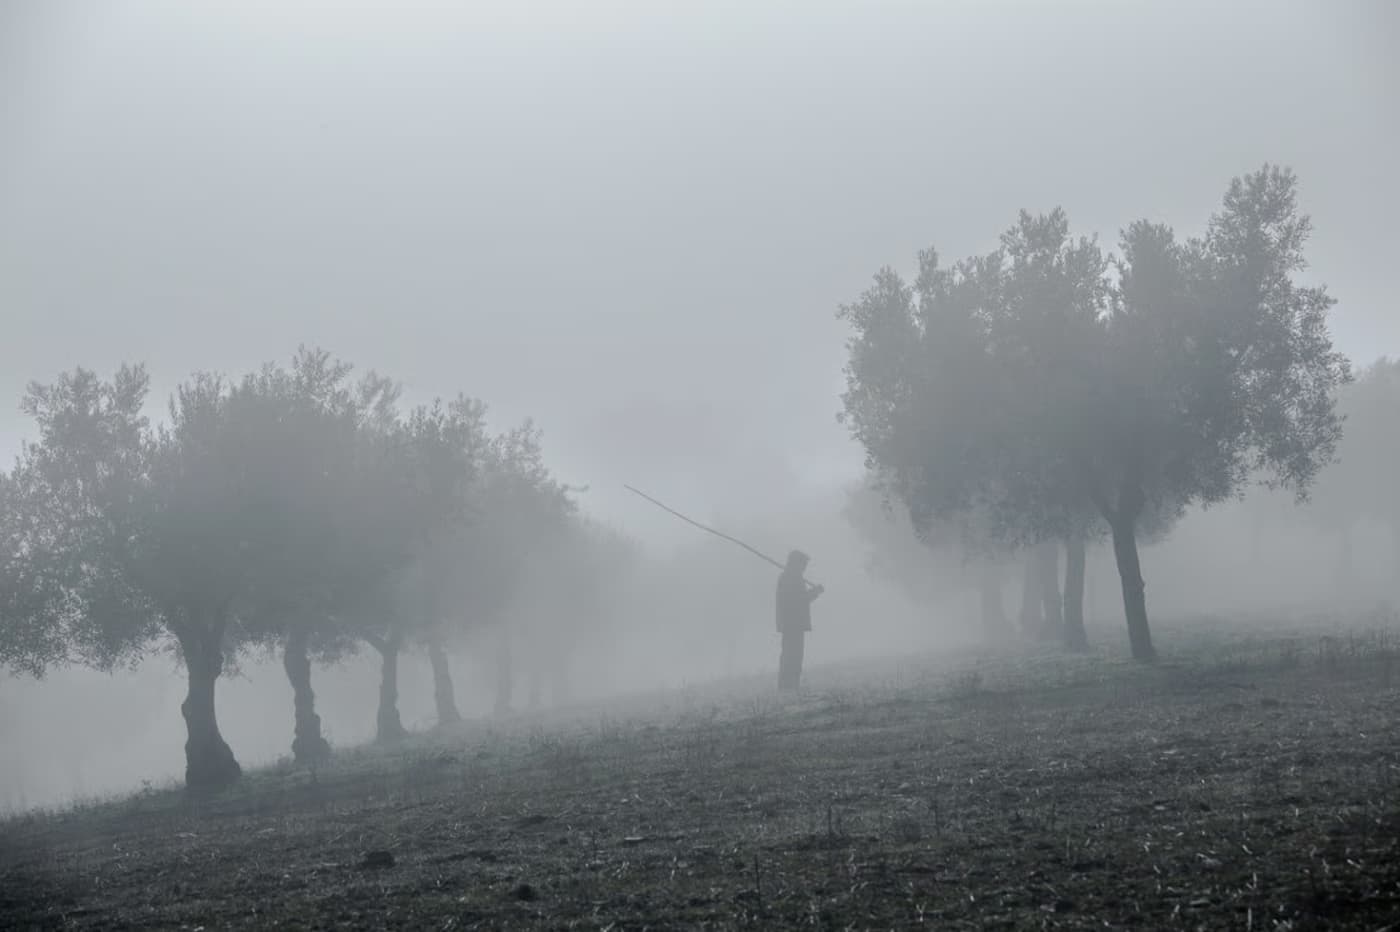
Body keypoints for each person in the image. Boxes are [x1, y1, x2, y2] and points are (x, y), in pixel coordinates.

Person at [775, 549, 824, 692]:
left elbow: (800, 599)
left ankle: (789, 686)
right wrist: (816, 592)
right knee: (792, 656)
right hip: (793, 624)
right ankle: (788, 687)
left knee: (792, 655)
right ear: (796, 563)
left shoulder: (790, 577)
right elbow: (800, 600)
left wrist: (814, 592)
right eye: (803, 564)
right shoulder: (791, 578)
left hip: (791, 624)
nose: (804, 568)